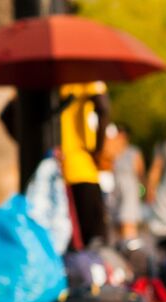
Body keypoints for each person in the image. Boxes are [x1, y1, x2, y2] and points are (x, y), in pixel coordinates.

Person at [59, 80, 111, 247]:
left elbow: (7, 114)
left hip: (56, 167)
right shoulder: (87, 77)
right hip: (81, 167)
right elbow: (103, 108)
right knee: (94, 242)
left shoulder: (55, 81)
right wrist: (98, 150)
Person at [108, 124, 145, 242]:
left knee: (128, 218)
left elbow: (139, 171)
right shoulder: (111, 150)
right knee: (115, 219)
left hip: (129, 187)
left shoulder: (133, 151)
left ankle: (130, 243)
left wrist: (143, 189)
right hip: (114, 186)